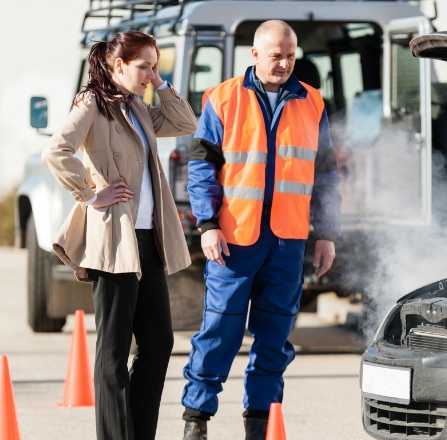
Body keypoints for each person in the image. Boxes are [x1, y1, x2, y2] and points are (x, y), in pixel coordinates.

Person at [180, 20, 341, 440]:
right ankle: (196, 421)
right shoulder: (222, 98)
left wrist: (326, 232)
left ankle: (259, 425)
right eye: (276, 55)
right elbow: (201, 169)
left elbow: (326, 176)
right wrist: (208, 224)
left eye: (291, 55)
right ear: (255, 54)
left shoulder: (313, 103)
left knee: (275, 337)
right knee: (219, 330)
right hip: (235, 238)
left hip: (288, 240)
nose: (285, 63)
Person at [41, 31, 198, 440]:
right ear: (118, 66)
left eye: (154, 66)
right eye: (144, 66)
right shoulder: (92, 102)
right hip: (113, 242)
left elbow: (185, 121)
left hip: (148, 240)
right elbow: (56, 152)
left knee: (159, 342)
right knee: (111, 353)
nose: (151, 74)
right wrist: (91, 194)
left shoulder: (139, 108)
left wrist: (161, 84)